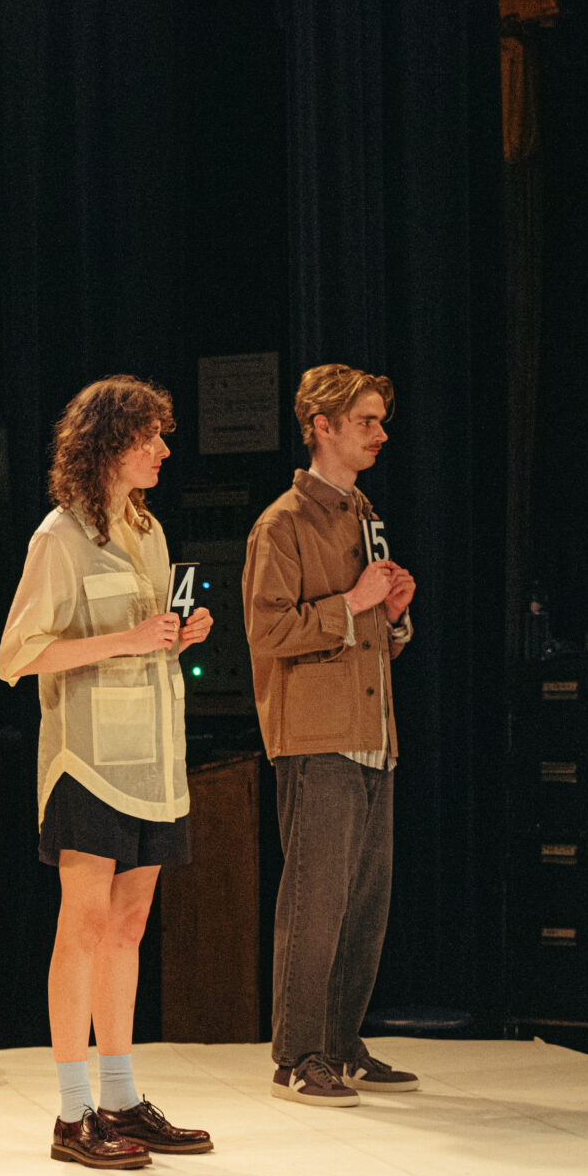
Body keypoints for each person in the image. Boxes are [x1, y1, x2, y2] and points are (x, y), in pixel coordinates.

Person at [0, 376, 216, 1170]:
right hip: (88, 760)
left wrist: (179, 635)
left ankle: (120, 1096)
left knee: (129, 925)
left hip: (153, 757)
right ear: (108, 444)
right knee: (84, 925)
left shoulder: (146, 529)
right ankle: (71, 1113)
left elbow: (145, 634)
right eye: (148, 436)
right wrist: (125, 640)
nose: (162, 450)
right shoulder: (60, 536)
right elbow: (17, 655)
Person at [243, 363, 419, 1106]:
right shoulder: (283, 522)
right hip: (317, 736)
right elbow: (267, 631)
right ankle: (297, 1056)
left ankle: (342, 1046)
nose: (380, 433)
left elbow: (368, 633)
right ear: (323, 426)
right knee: (315, 900)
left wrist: (393, 616)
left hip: (371, 730)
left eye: (381, 420)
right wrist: (351, 601)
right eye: (366, 421)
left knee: (364, 903)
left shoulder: (362, 513)